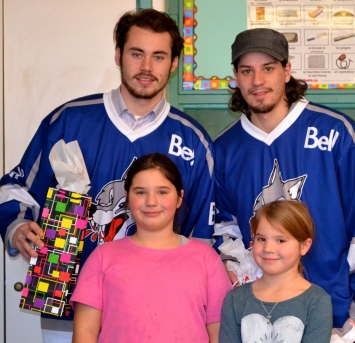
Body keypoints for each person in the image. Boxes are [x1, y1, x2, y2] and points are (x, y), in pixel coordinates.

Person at [0, 9, 215, 342]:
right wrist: (15, 226)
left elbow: (200, 235)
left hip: (154, 313)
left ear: (173, 64)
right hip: (65, 302)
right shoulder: (69, 120)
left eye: (158, 56)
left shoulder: (193, 141)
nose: (146, 67)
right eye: (136, 54)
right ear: (118, 55)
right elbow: (15, 187)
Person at [213, 28, 355, 343]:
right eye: (247, 71)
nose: (257, 81)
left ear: (286, 71)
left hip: (336, 327)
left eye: (268, 68)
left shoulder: (338, 134)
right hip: (257, 326)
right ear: (236, 77)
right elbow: (223, 231)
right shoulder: (223, 149)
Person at [70, 153, 231, 343]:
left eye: (162, 192)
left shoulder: (206, 258)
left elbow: (219, 333)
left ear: (179, 198)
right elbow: (84, 334)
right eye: (140, 192)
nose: (151, 202)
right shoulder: (102, 258)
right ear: (127, 198)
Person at [219, 200, 332, 343]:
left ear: (304, 246)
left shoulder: (317, 301)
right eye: (261, 239)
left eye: (280, 240)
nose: (268, 248)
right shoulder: (235, 300)